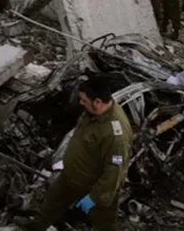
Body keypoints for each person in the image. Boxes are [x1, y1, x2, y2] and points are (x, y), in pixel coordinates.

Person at [27, 75, 132, 231]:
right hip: (71, 176)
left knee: (104, 224)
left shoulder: (115, 135)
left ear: (97, 102)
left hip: (93, 187)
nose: (81, 103)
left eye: (84, 100)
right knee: (51, 203)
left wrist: (94, 198)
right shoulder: (93, 113)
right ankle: (35, 227)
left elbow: (114, 172)